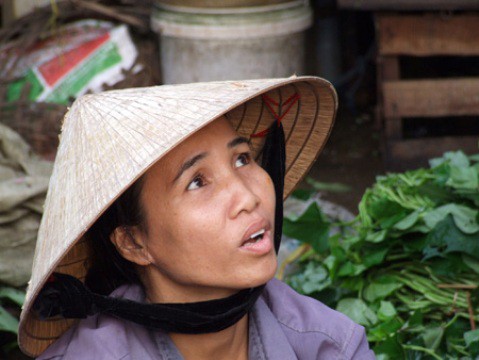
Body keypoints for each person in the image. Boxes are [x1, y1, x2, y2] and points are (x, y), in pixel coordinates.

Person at [18, 77, 375, 359]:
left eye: (242, 159)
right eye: (197, 182)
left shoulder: (326, 343)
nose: (249, 198)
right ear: (134, 242)